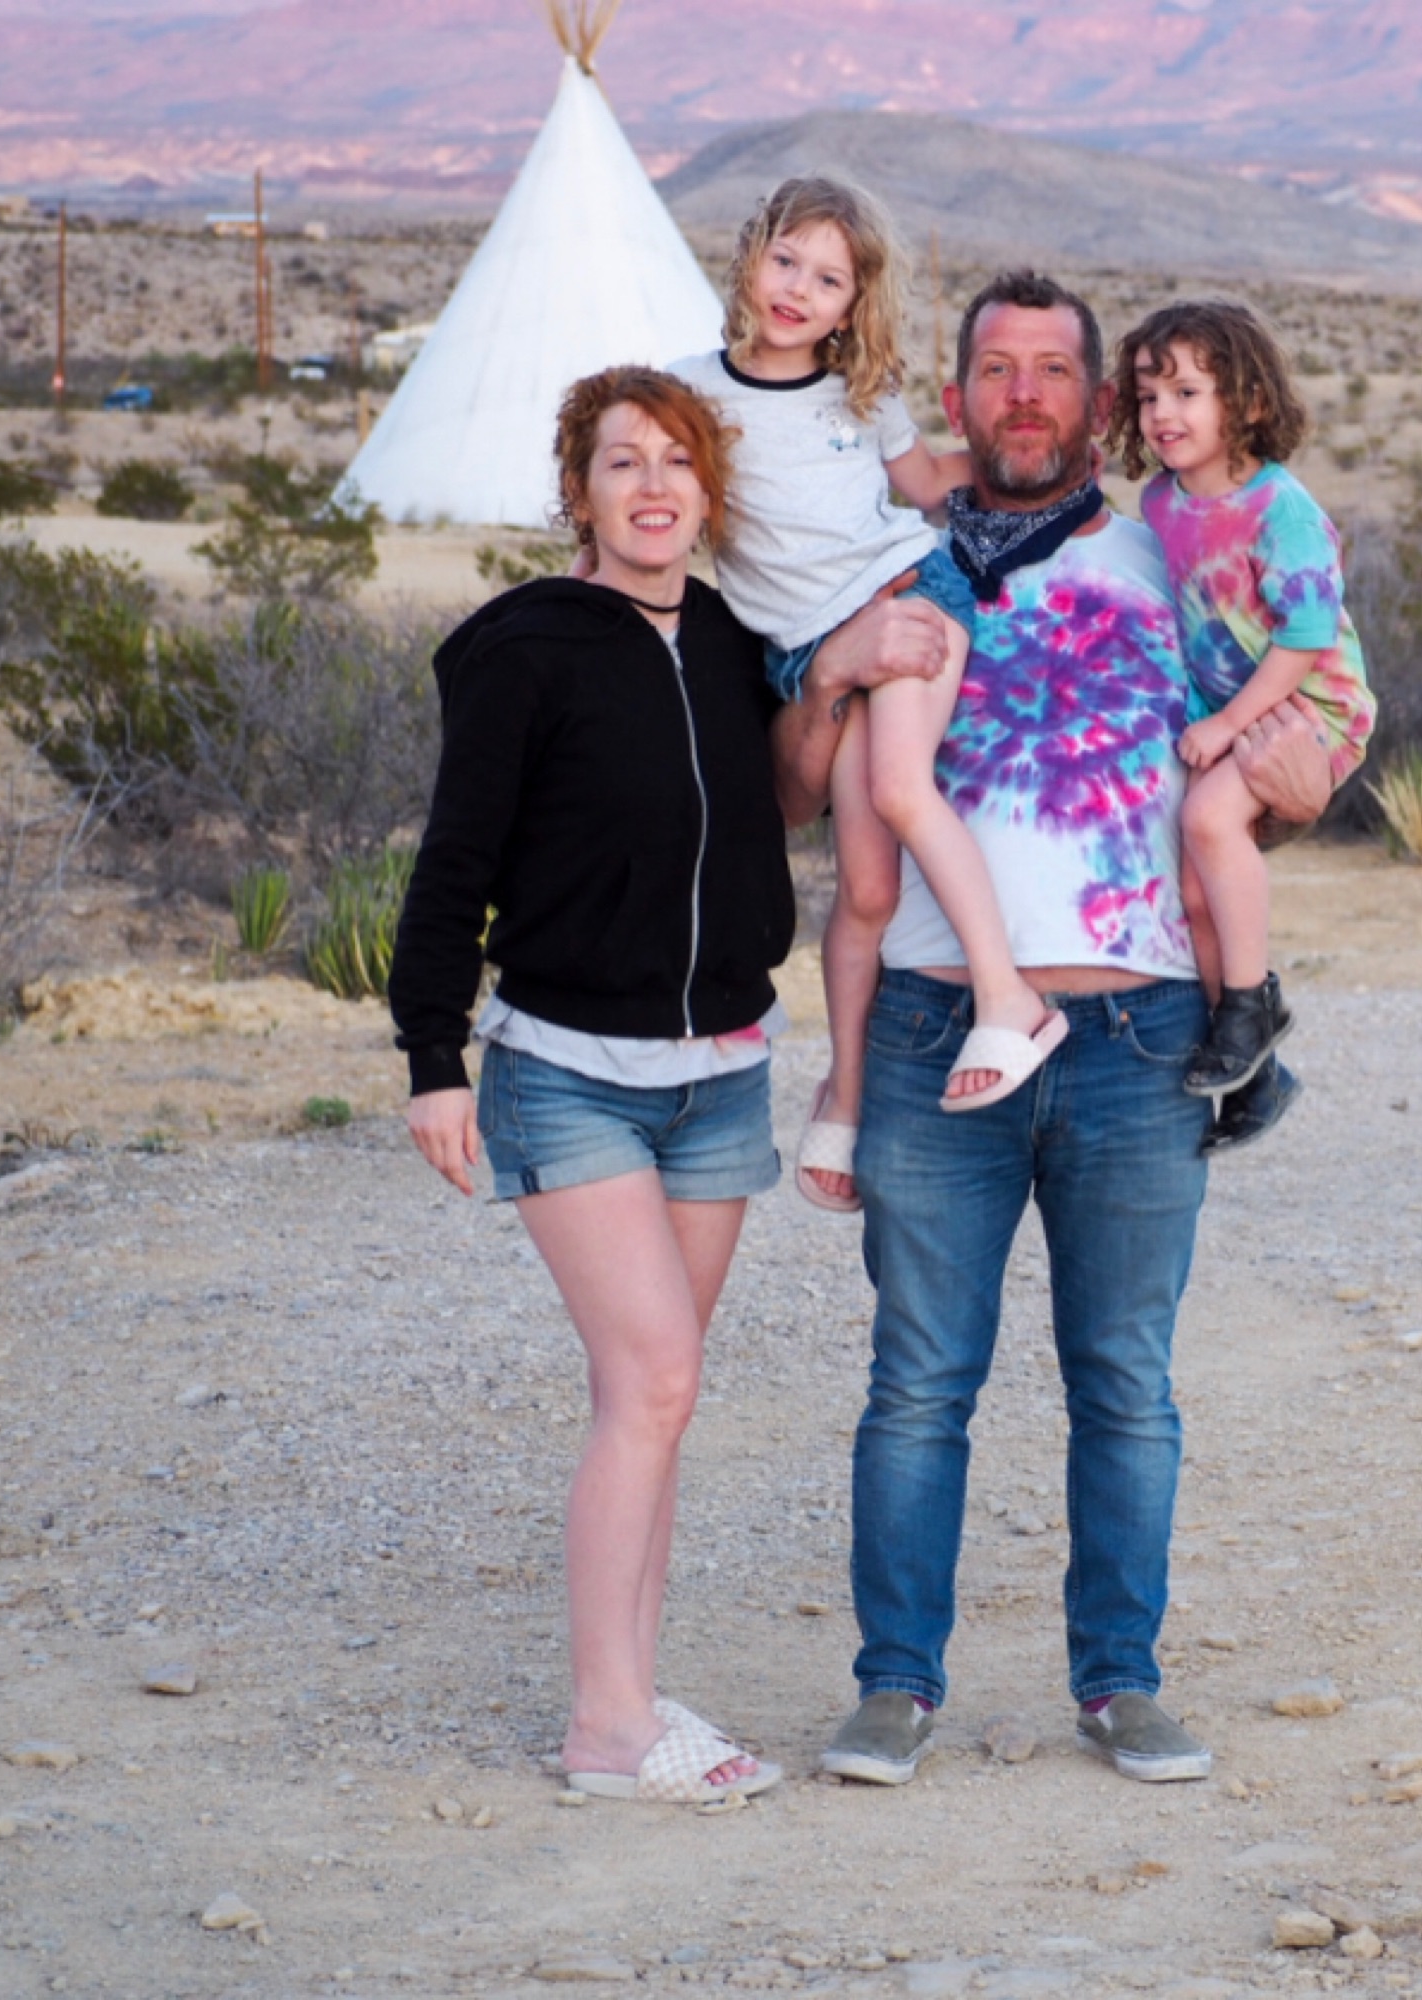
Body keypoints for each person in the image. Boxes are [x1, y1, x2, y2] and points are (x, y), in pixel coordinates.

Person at [770, 272, 1332, 1786]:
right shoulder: (892, 567)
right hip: (931, 1029)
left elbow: (1270, 744)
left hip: (1138, 1035)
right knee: (917, 1381)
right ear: (956, 399)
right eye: (996, 370)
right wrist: (832, 674)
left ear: (1100, 405)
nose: (1024, 394)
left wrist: (1299, 792)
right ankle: (895, 1686)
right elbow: (793, 784)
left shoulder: (1167, 558)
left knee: (1125, 1382)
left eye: (1055, 371)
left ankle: (1120, 1682)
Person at [388, 366, 793, 1806]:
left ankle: (631, 1686)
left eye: (677, 460)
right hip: (567, 1070)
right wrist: (433, 1058)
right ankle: (606, 1728)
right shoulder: (525, 647)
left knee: (653, 1399)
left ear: (707, 491)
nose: (652, 485)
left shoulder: (736, 642)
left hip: (721, 1075)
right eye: (623, 461)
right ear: (579, 492)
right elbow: (456, 860)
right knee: (657, 1376)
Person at [673, 177, 1065, 1223]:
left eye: (828, 279)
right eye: (785, 260)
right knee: (865, 889)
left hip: (912, 592)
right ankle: (844, 1092)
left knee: (899, 789)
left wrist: (1045, 462)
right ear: (750, 257)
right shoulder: (689, 394)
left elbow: (931, 485)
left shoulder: (862, 390)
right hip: (813, 651)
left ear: (854, 304)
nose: (798, 289)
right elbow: (647, 494)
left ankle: (1011, 1001)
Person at [1108, 300, 1375, 1148]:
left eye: (1187, 393)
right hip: (1227, 712)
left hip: (1309, 707)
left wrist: (1226, 722)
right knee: (1194, 891)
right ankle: (1259, 1077)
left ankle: (1251, 1007)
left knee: (1205, 819)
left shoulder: (1279, 510)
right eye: (1148, 396)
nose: (1163, 414)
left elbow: (1305, 638)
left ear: (1247, 401)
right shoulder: (1161, 501)